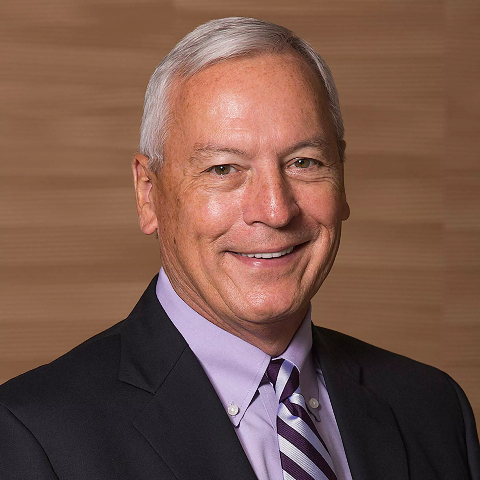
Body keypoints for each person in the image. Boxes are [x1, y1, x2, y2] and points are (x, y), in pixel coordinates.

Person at [0, 17, 479, 480]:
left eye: (304, 162)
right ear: (148, 194)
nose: (274, 210)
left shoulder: (434, 410)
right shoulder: (33, 435)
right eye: (224, 169)